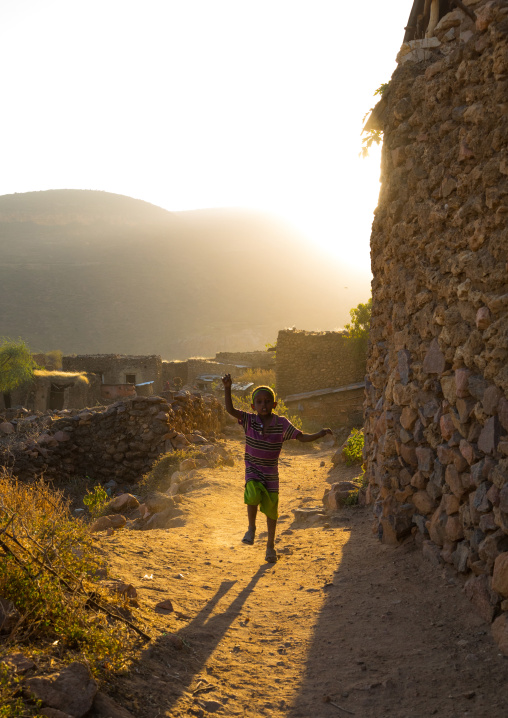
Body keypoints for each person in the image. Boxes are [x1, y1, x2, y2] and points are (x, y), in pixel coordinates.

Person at [222, 373, 332, 563]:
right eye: (259, 402)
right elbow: (230, 409)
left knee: (272, 511)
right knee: (253, 494)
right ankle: (251, 528)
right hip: (253, 469)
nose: (263, 405)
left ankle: (270, 547)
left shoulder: (281, 423)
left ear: (274, 405)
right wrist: (227, 388)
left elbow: (301, 437)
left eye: (267, 402)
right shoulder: (248, 420)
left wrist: (319, 434)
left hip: (271, 474)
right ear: (253, 406)